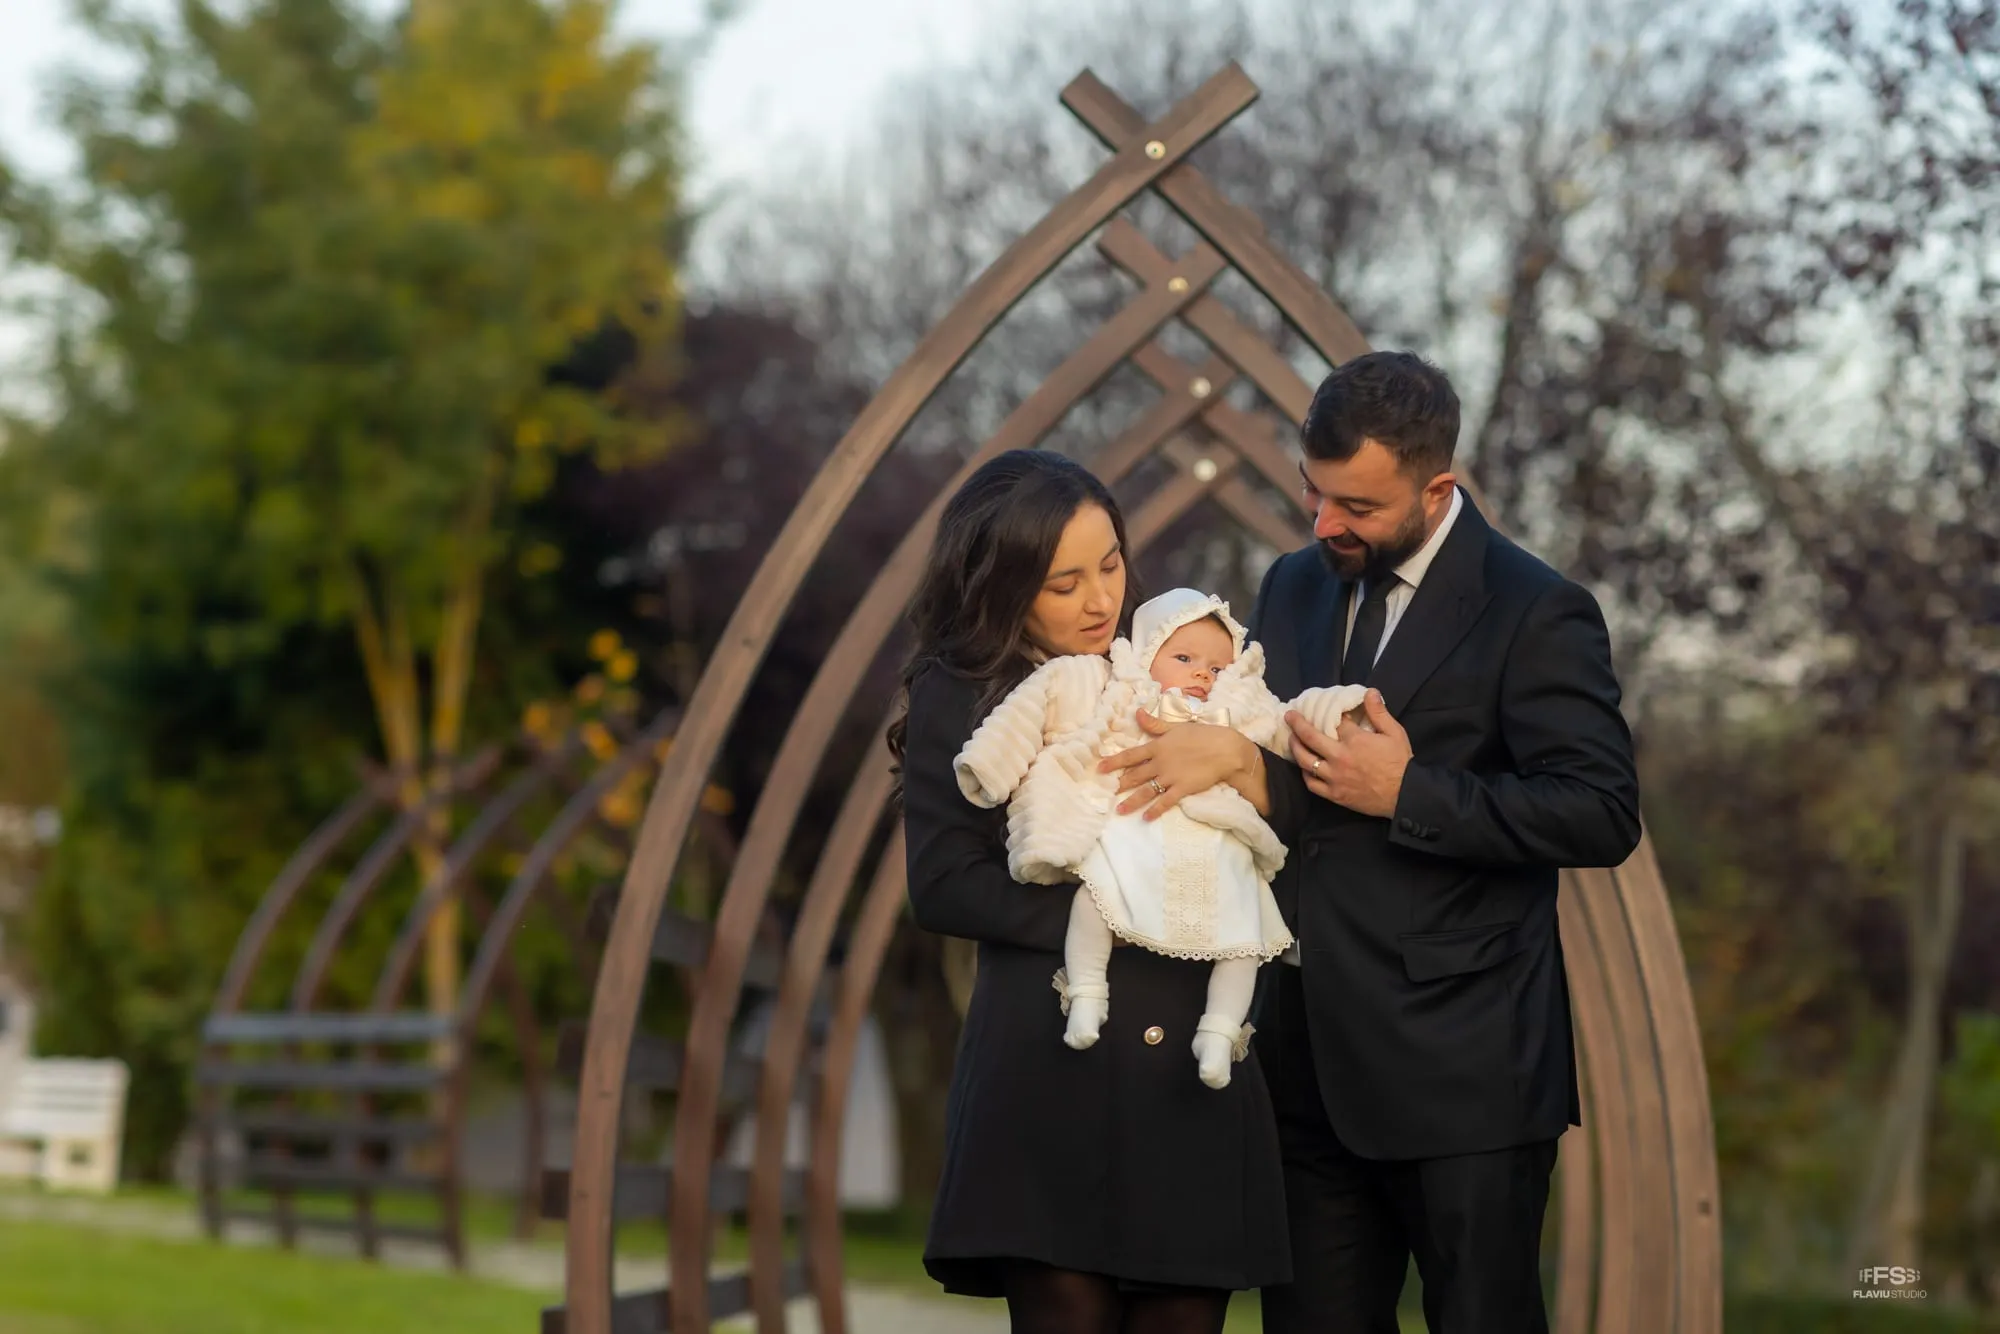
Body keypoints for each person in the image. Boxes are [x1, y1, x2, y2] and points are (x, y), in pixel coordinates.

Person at [1100, 351, 1642, 1333]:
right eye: (1313, 493)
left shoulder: (1536, 608)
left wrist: (1409, 793)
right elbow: (1300, 803)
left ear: (1436, 489)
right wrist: (1235, 762)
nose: (1323, 524)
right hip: (1300, 1061)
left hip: (1465, 1074)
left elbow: (1599, 810)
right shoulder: (1290, 587)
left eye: (1355, 505)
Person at [893, 451, 1290, 1334]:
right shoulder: (963, 692)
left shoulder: (1182, 670)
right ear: (1004, 585)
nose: (1099, 600)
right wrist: (1127, 909)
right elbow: (945, 887)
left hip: (1192, 1070)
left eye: (1109, 565)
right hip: (1046, 1070)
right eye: (1063, 583)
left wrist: (1246, 769)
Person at [951, 586, 1367, 1087]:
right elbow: (1035, 706)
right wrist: (989, 765)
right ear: (1147, 653)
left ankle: (1219, 1033)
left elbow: (1293, 721)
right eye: (1185, 658)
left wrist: (1341, 710)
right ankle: (1086, 993)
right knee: (1094, 901)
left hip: (1217, 849)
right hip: (1138, 831)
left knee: (1243, 943)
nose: (1202, 674)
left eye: (1217, 668)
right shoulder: (1115, 688)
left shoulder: (1241, 708)